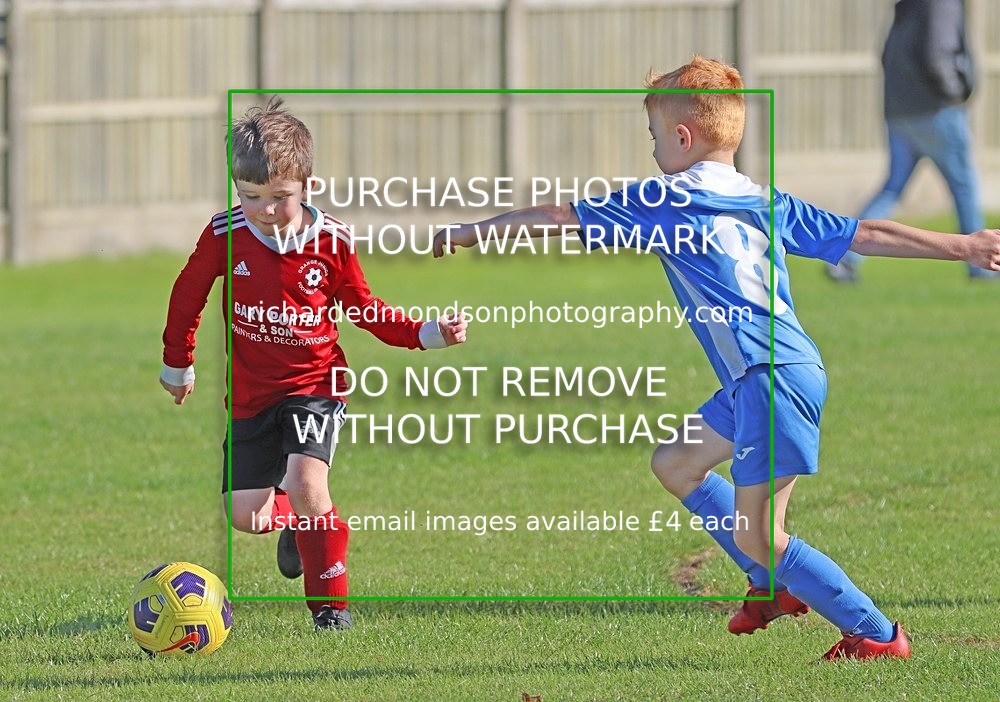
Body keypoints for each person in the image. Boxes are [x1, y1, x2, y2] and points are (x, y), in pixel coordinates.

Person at [432, 56, 1000, 660]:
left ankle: (875, 635)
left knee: (762, 536)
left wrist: (469, 231)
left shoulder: (666, 197)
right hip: (771, 374)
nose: (652, 154)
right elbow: (863, 235)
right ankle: (768, 586)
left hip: (769, 378)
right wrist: (962, 244)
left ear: (682, 137)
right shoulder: (763, 199)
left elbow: (556, 216)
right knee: (676, 463)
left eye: (654, 139)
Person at [160, 98, 467, 631]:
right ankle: (297, 525)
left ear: (307, 188)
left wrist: (424, 333)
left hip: (316, 385)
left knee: (307, 484)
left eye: (279, 197)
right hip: (251, 396)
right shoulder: (223, 235)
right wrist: (177, 363)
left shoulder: (332, 241)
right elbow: (187, 295)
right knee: (246, 515)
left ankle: (331, 611)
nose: (265, 210)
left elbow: (365, 308)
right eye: (251, 196)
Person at [828, 0, 996, 282]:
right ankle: (982, 265)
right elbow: (937, 53)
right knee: (964, 185)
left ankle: (844, 255)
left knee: (893, 187)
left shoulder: (908, 5)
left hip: (899, 112)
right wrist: (954, 93)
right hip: (935, 110)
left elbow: (885, 55)